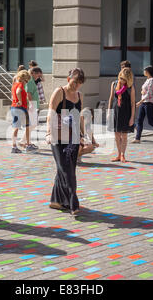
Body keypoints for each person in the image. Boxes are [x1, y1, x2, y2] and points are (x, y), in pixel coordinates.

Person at [46, 68, 85, 216]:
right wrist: (49, 132)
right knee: (64, 168)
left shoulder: (80, 95)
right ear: (69, 79)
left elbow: (79, 117)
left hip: (73, 138)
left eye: (79, 83)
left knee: (68, 169)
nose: (76, 86)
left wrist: (85, 136)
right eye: (74, 82)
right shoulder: (59, 92)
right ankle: (73, 202)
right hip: (57, 136)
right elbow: (50, 112)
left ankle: (56, 201)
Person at [107, 68, 136, 163]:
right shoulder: (114, 84)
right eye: (120, 77)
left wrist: (132, 117)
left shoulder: (130, 87)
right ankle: (118, 154)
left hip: (126, 113)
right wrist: (108, 111)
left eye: (123, 79)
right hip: (116, 112)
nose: (121, 80)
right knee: (116, 134)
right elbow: (111, 98)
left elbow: (132, 104)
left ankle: (123, 154)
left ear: (128, 79)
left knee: (124, 135)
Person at [10, 70, 37, 153]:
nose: (27, 82)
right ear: (23, 79)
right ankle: (28, 145)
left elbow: (14, 94)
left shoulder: (14, 85)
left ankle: (14, 147)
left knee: (15, 128)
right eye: (26, 80)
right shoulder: (20, 85)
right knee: (28, 126)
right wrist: (21, 101)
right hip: (21, 108)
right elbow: (18, 92)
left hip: (14, 107)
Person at [19, 67, 43, 148]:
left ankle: (24, 141)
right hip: (32, 105)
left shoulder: (33, 81)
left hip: (34, 104)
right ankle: (23, 141)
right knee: (32, 124)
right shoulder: (30, 81)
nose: (38, 77)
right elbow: (28, 94)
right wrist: (32, 105)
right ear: (33, 73)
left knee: (33, 124)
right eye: (37, 75)